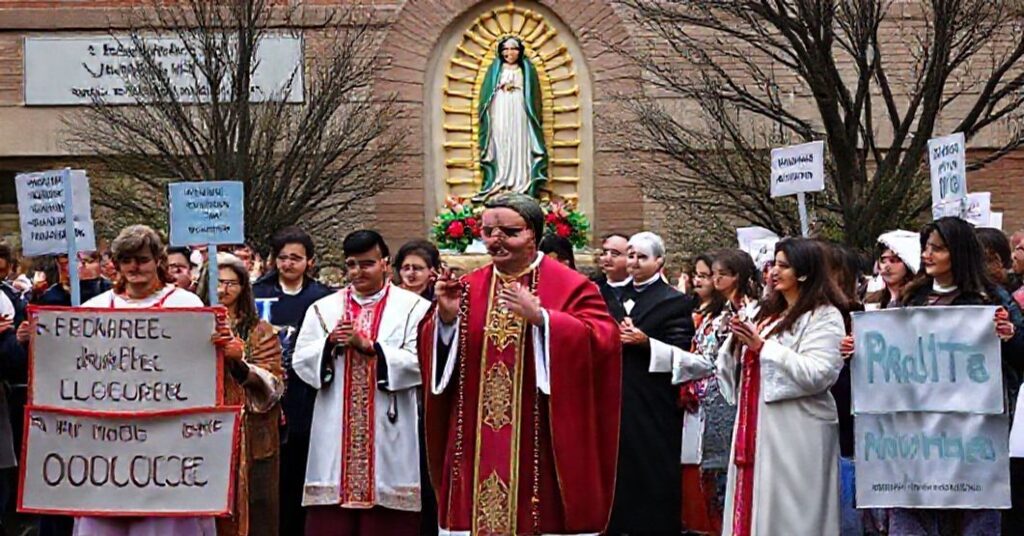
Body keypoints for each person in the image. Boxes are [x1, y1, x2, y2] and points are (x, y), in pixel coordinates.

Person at [420, 193, 621, 534]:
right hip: (475, 435)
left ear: (533, 234)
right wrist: (447, 321)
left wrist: (544, 319)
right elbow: (434, 354)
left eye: (508, 233)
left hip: (539, 435)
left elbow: (603, 341)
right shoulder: (468, 287)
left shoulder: (572, 285)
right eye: (487, 233)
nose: (495, 241)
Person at [673, 237, 848, 536]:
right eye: (772, 265)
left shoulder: (825, 316)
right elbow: (732, 366)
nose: (773, 272)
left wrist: (761, 346)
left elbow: (819, 374)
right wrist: (736, 345)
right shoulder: (765, 313)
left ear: (804, 273)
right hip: (756, 424)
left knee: (791, 514)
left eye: (783, 266)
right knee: (753, 505)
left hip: (797, 430)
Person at [73, 224, 218, 536]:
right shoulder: (93, 309)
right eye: (126, 260)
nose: (134, 267)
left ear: (157, 260)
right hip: (108, 440)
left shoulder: (186, 305)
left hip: (167, 438)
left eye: (141, 259)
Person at [883, 217, 1016, 535]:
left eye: (937, 249)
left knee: (973, 508)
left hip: (971, 431)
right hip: (918, 428)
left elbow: (1019, 356)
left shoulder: (991, 299)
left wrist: (1009, 336)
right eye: (926, 247)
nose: (927, 255)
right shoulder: (912, 297)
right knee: (914, 505)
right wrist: (860, 348)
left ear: (958, 252)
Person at [293, 230, 431, 535]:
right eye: (352, 264)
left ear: (385, 263)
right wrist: (328, 345)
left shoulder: (413, 308)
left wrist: (372, 348)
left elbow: (422, 362)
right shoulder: (323, 308)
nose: (358, 272)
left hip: (389, 426)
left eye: (367, 264)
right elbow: (301, 360)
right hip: (334, 428)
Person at [606, 232, 693, 534]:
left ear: (659, 262)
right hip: (617, 395)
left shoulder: (675, 301)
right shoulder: (611, 295)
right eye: (630, 255)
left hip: (654, 398)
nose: (634, 262)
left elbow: (683, 354)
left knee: (652, 468)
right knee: (619, 469)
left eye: (642, 257)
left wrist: (645, 342)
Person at [196, 253, 285, 536]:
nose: (224, 290)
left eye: (232, 283)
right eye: (218, 283)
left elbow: (275, 384)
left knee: (253, 510)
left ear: (244, 287)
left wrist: (239, 361)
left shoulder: (259, 330)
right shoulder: (189, 326)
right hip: (200, 431)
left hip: (249, 431)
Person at [252, 226, 333, 534]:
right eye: (283, 258)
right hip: (266, 389)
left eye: (296, 258)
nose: (288, 264)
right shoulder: (257, 292)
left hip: (304, 394)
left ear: (309, 262)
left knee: (299, 463)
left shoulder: (323, 298)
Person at [678, 250, 754, 535]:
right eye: (712, 273)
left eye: (717, 273)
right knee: (707, 473)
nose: (714, 279)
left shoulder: (746, 310)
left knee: (725, 471)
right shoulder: (714, 313)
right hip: (704, 399)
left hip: (728, 397)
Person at [391, 238, 442, 535]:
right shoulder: (392, 307)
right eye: (406, 268)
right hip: (398, 396)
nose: (410, 274)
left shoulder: (440, 305)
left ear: (432, 272)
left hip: (430, 398)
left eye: (418, 269)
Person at [475, 36, 548, 199]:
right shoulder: (495, 70)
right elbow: (486, 95)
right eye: (505, 49)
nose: (509, 53)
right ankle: (500, 180)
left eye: (513, 49)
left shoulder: (526, 70)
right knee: (501, 141)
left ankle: (521, 182)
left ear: (519, 51)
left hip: (519, 109)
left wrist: (517, 88)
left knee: (519, 142)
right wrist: (498, 89)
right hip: (500, 108)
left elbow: (533, 96)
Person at [37, 253, 112, 306]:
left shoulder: (112, 293)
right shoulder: (51, 298)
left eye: (89, 259)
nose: (80, 264)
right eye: (66, 260)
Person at [595, 233, 630, 311]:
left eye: (615, 254)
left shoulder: (642, 289)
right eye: (604, 253)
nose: (607, 258)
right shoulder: (592, 287)